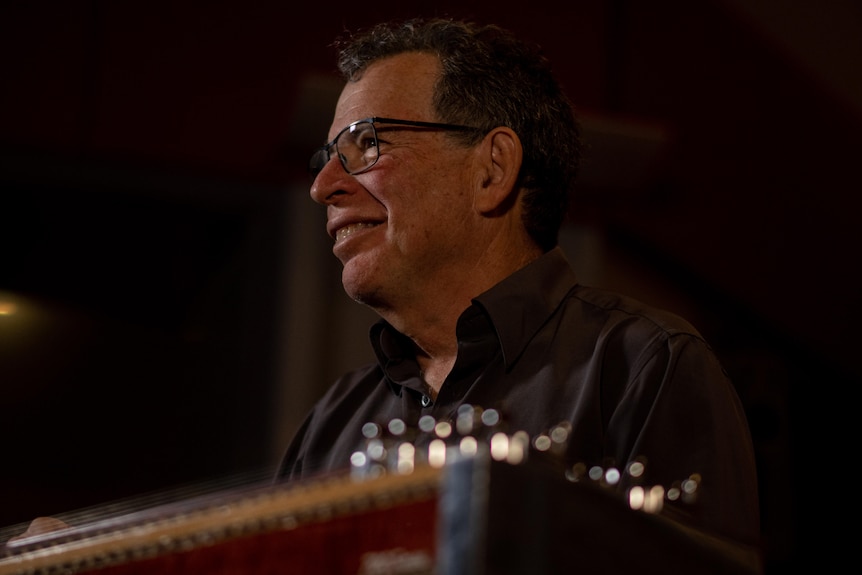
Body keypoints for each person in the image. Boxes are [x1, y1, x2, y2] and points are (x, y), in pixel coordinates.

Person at [277, 15, 761, 566]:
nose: (323, 186)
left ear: (492, 169)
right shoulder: (331, 421)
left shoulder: (644, 370)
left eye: (367, 142)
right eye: (326, 157)